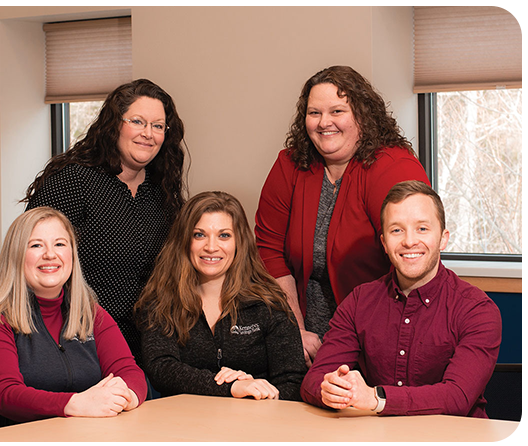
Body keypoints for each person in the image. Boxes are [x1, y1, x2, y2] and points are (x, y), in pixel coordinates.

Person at [255, 65, 430, 367]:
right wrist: (294, 329)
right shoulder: (290, 165)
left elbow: (413, 255)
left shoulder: (395, 167)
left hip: (383, 336)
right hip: (305, 336)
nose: (324, 123)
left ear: (362, 114)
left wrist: (355, 344)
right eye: (314, 113)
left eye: (337, 111)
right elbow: (269, 249)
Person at [300, 180, 502, 417]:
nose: (409, 241)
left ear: (443, 238)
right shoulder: (359, 302)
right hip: (379, 437)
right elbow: (314, 380)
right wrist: (332, 389)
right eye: (397, 230)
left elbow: (457, 396)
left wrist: (377, 398)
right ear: (384, 243)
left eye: (422, 229)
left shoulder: (477, 310)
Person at [0, 207, 147, 437]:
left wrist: (126, 396)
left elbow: (130, 372)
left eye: (60, 244)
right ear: (16, 255)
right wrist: (76, 403)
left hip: (65, 434)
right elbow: (6, 396)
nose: (50, 254)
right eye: (36, 245)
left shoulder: (91, 314)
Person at [23, 79, 188, 364]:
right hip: (78, 343)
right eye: (137, 121)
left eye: (158, 126)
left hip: (148, 348)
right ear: (115, 125)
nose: (148, 134)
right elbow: (30, 260)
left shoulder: (163, 191)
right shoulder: (73, 182)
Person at [135, 191, 307, 401]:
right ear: (184, 241)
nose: (211, 247)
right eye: (199, 234)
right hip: (184, 424)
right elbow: (162, 369)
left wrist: (256, 394)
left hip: (257, 424)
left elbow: (292, 381)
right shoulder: (161, 301)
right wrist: (231, 387)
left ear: (239, 242)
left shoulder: (269, 304)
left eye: (224, 235)